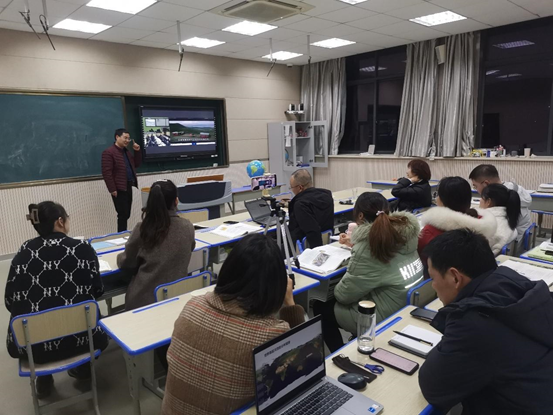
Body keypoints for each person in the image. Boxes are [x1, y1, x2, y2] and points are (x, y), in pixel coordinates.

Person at [161, 234, 305, 415]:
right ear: (276, 287)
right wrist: (290, 303)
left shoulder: (192, 307)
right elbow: (304, 372)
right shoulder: (271, 333)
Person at [419, 229, 553, 415]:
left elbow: (433, 387)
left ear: (455, 277)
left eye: (433, 278)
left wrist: (453, 327)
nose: (433, 286)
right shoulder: (513, 282)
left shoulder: (474, 320)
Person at [5, 202, 109, 398]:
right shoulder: (83, 248)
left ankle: (43, 378)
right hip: (83, 340)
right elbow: (98, 290)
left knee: (39, 323)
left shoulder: (23, 252)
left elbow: (10, 301)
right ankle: (84, 369)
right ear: (60, 222)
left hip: (33, 346)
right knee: (86, 315)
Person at [314, 192, 424, 353]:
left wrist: (359, 249)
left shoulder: (369, 247)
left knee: (321, 307)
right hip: (407, 301)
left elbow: (343, 296)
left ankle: (340, 354)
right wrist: (357, 245)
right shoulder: (406, 235)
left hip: (385, 314)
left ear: (360, 216)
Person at [117, 179, 195, 310]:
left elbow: (127, 262)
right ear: (176, 201)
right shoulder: (187, 227)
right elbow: (190, 248)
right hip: (177, 297)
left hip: (144, 302)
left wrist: (119, 257)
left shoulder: (143, 228)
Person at [418, 177, 497, 269]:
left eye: (438, 195)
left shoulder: (430, 232)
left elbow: (421, 262)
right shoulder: (481, 223)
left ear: (443, 200)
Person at [469, 164, 532, 241]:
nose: (476, 190)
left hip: (513, 243)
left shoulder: (500, 199)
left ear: (486, 183)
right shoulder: (513, 189)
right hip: (519, 240)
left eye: (475, 186)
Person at [101, 128, 142, 232]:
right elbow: (106, 172)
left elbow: (136, 164)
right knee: (122, 214)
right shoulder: (109, 152)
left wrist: (137, 151)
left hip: (128, 185)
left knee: (127, 214)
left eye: (129, 138)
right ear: (117, 137)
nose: (127, 140)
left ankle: (122, 234)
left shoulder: (126, 152)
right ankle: (121, 235)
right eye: (125, 138)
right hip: (119, 188)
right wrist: (112, 189)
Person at [288, 169, 334, 248]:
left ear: (300, 188)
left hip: (305, 246)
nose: (292, 190)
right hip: (327, 242)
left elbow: (312, 231)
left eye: (292, 187)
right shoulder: (327, 196)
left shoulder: (300, 204)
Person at [478, 183, 520, 255]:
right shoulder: (509, 220)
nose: (480, 200)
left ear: (488, 202)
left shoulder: (487, 226)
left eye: (481, 197)